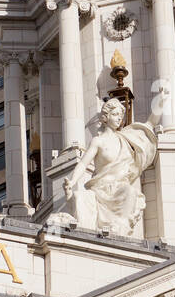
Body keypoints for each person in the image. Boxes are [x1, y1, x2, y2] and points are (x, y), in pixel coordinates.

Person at [59, 97, 158, 236]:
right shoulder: (98, 141)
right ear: (106, 117)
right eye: (116, 114)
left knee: (130, 192)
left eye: (121, 116)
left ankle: (119, 232)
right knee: (79, 197)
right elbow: (83, 163)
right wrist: (72, 181)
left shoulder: (126, 138)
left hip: (119, 189)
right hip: (100, 190)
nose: (119, 119)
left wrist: (161, 101)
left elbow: (149, 124)